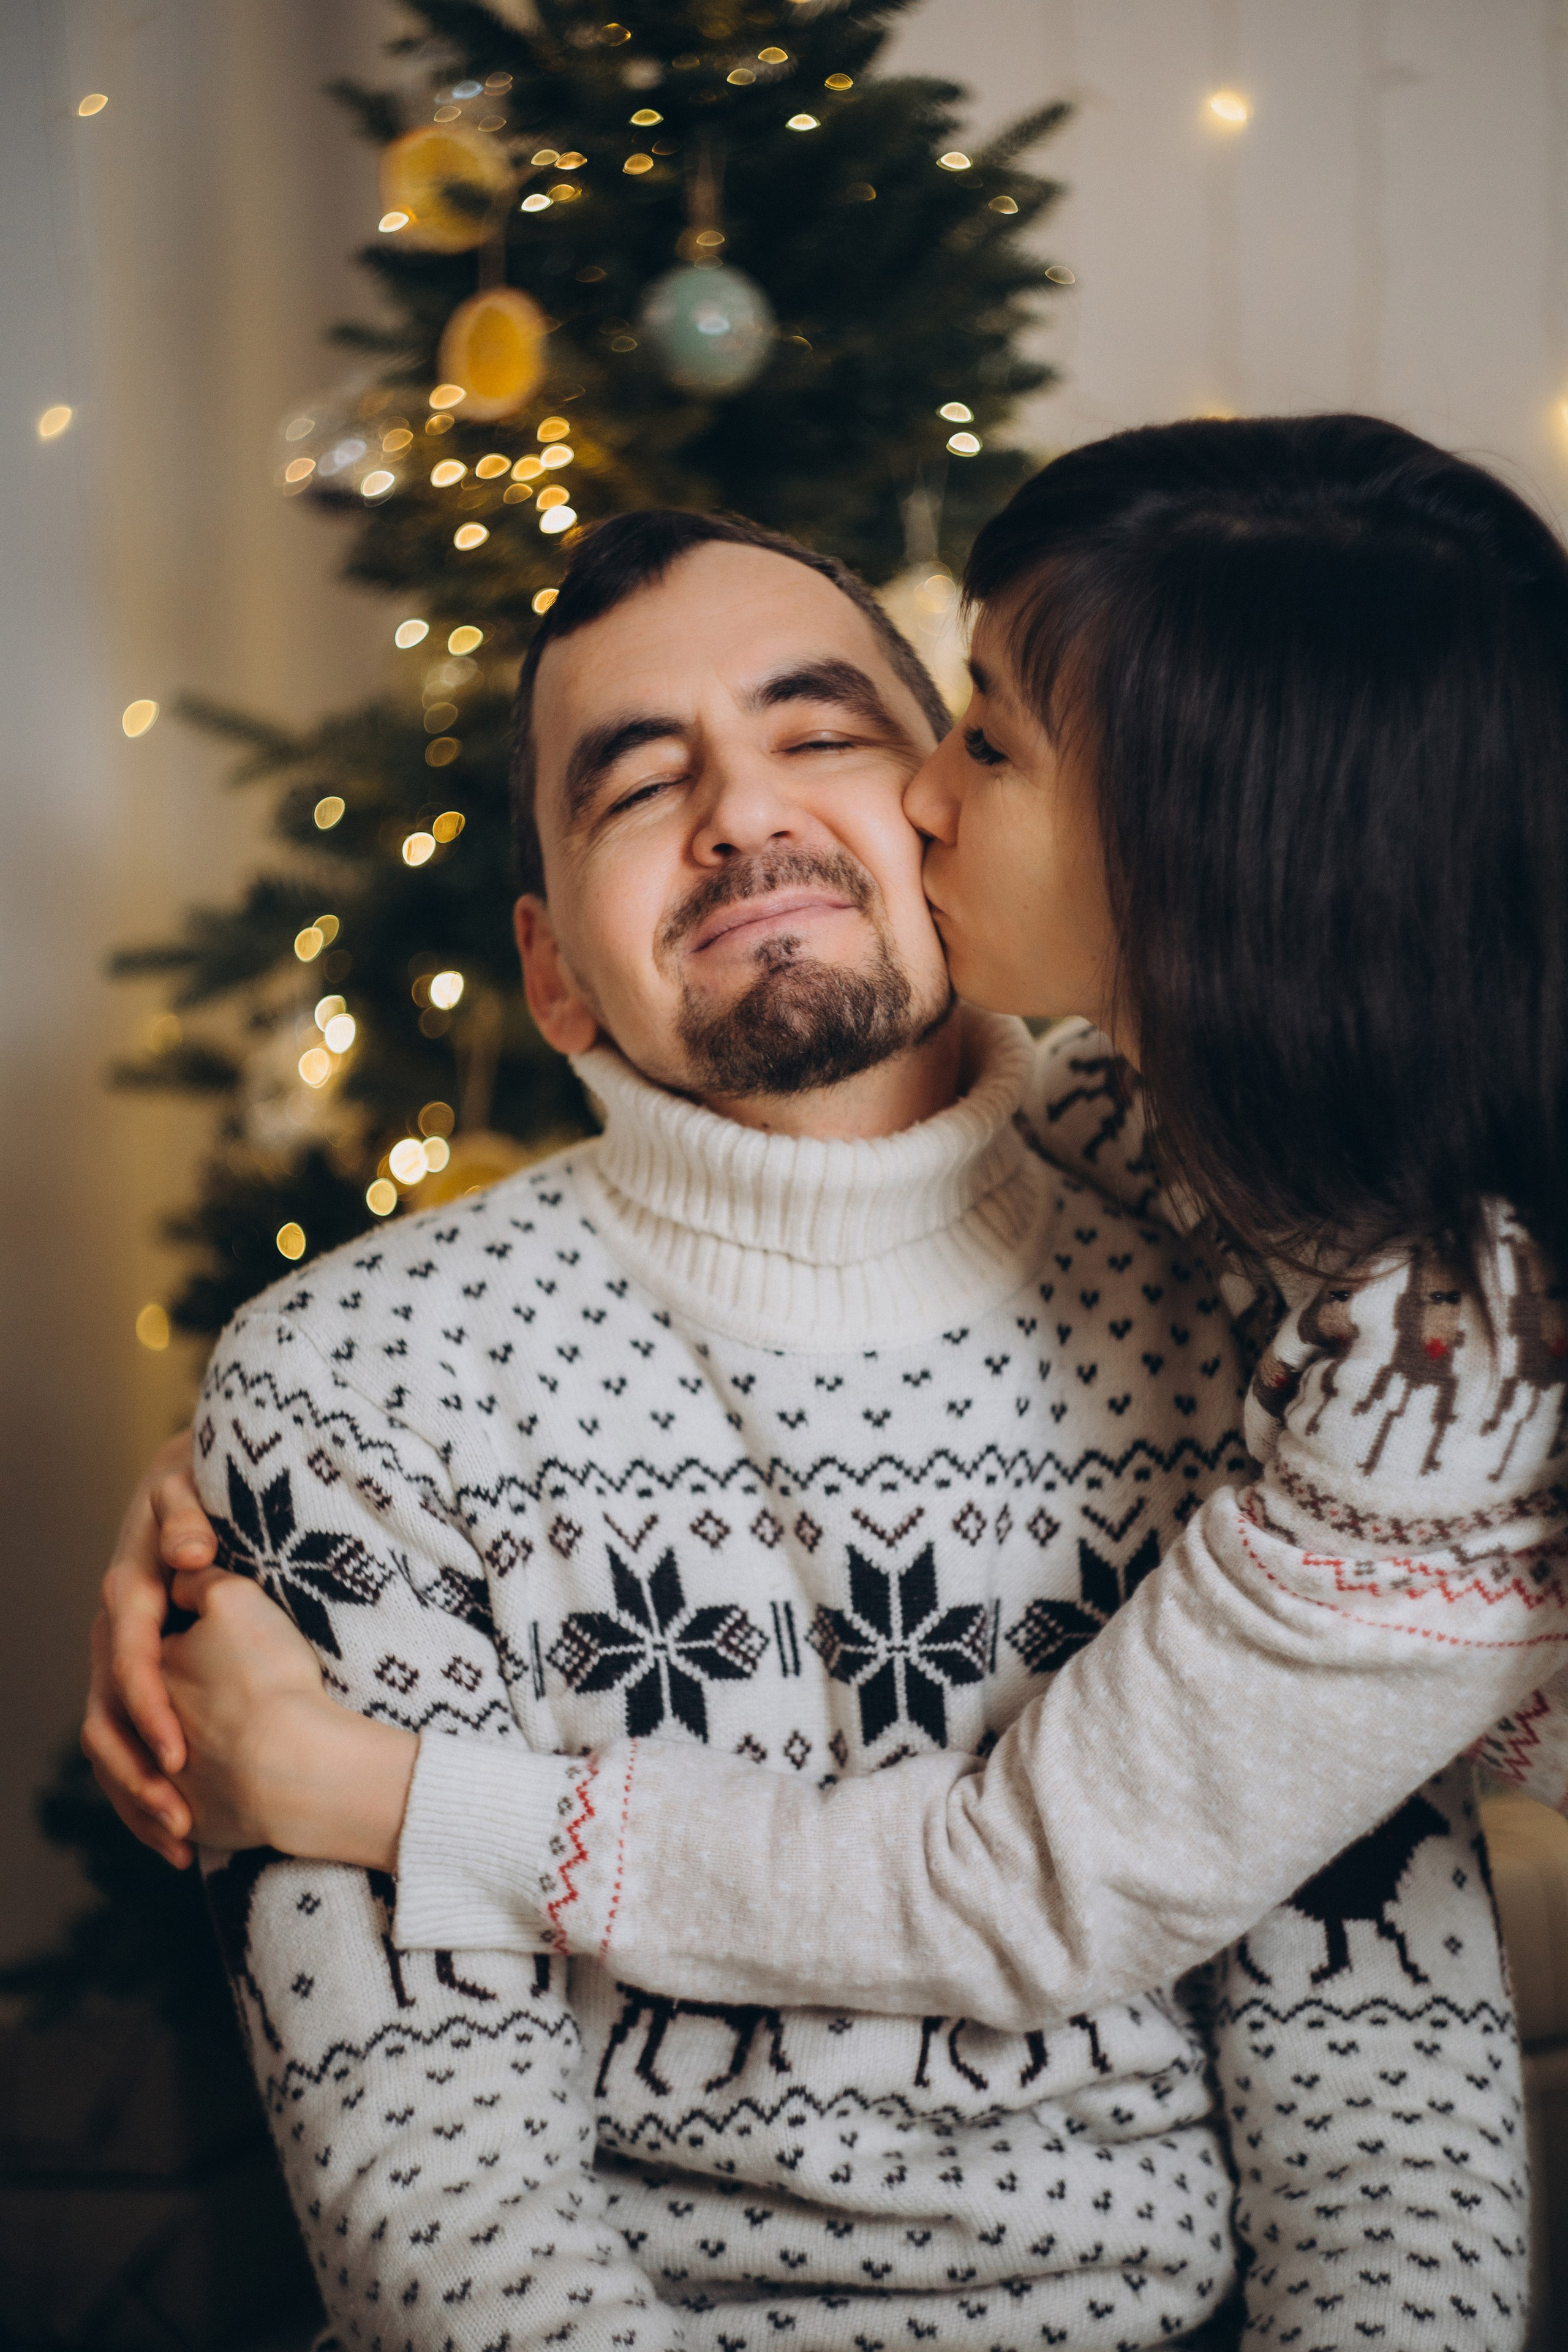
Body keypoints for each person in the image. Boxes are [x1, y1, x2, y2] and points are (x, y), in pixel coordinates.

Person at [86, 477, 1544, 2343]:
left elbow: (1377, 2107)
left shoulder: (1334, 1318)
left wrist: (388, 1792)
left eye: (838, 734)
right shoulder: (358, 1386)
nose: (746, 812)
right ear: (548, 970)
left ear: (961, 818)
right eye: (633, 784)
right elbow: (440, 2216)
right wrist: (254, 1428)